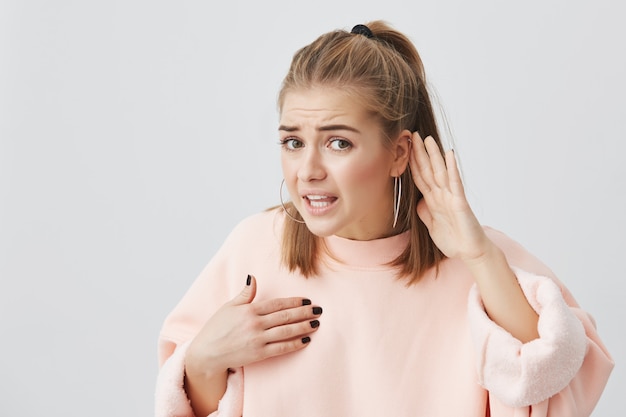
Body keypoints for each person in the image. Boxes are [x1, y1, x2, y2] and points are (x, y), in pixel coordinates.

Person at [154, 21, 613, 417]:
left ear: (399, 153)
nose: (308, 171)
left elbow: (557, 382)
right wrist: (204, 361)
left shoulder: (477, 260)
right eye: (293, 142)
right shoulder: (254, 248)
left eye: (338, 143)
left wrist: (478, 255)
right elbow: (195, 403)